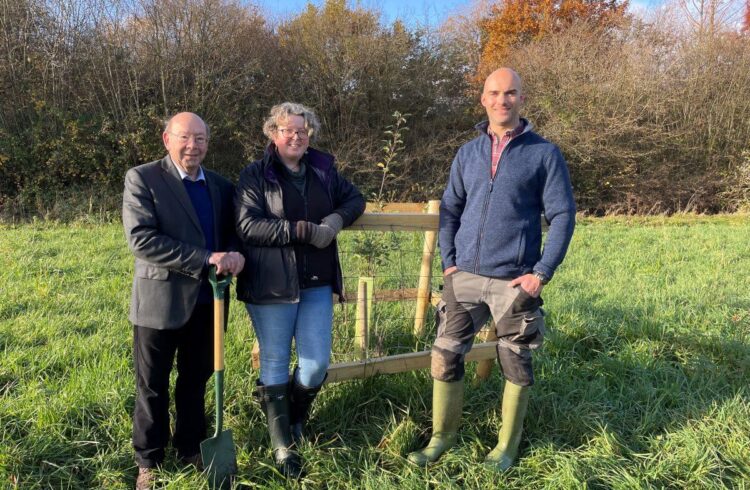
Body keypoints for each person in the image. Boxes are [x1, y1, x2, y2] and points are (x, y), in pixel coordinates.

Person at [408, 68, 576, 471]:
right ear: (483, 99)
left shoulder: (544, 154)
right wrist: (449, 263)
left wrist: (541, 272)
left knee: (515, 361)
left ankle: (506, 447)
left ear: (521, 99)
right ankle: (442, 437)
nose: (503, 100)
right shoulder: (467, 153)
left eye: (511, 93)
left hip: (515, 281)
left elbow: (563, 215)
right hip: (463, 276)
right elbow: (450, 209)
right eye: (495, 93)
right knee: (446, 354)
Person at [234, 102, 365, 479]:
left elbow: (355, 199)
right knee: (274, 360)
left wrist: (336, 220)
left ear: (310, 138)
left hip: (317, 284)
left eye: (303, 132)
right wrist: (303, 231)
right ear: (273, 134)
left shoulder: (323, 171)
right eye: (288, 130)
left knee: (315, 364)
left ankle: (293, 415)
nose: (296, 137)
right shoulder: (255, 175)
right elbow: (248, 226)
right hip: (271, 284)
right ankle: (283, 444)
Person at [122, 112, 245, 489]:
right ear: (166, 139)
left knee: (196, 379)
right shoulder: (143, 178)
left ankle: (191, 445)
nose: (193, 146)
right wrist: (205, 258)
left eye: (201, 139)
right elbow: (141, 239)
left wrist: (236, 253)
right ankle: (149, 460)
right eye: (185, 138)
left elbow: (233, 234)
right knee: (152, 384)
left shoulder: (222, 186)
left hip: (210, 301)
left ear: (209, 142)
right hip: (160, 300)